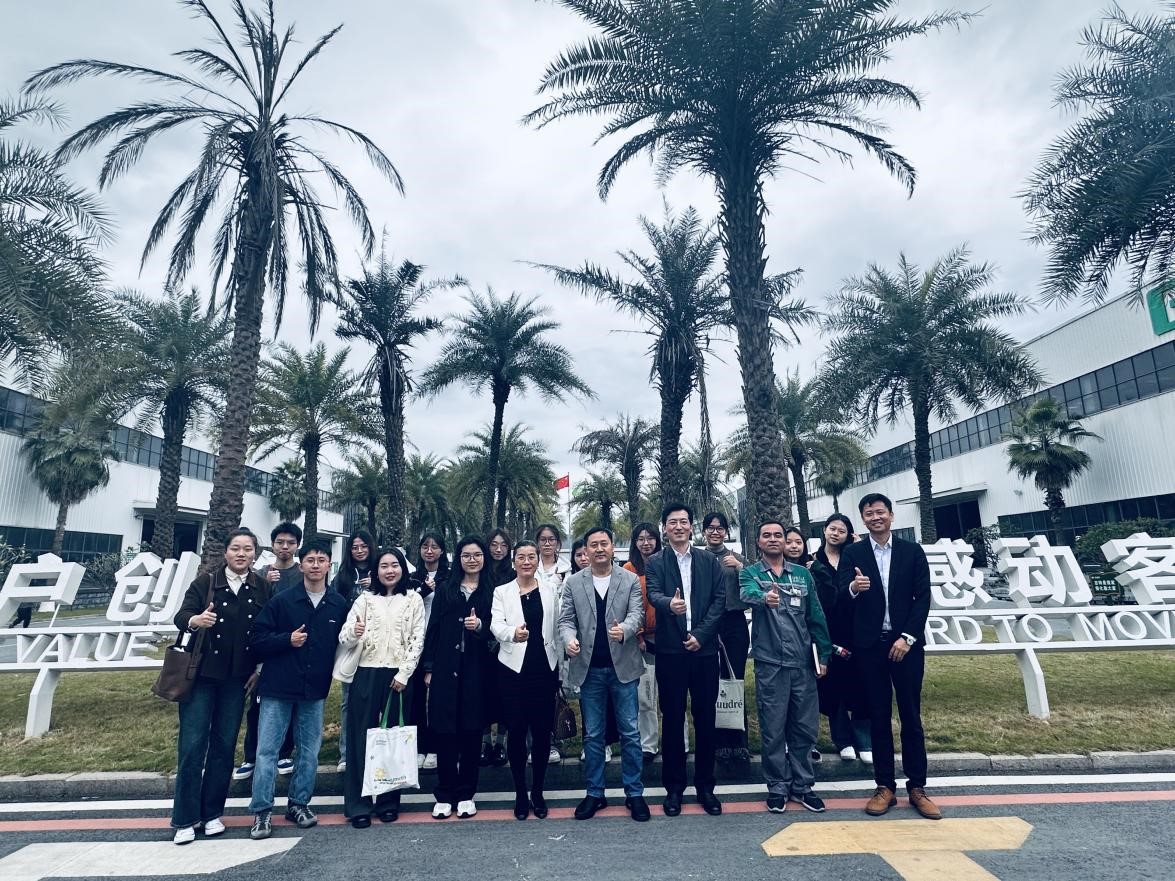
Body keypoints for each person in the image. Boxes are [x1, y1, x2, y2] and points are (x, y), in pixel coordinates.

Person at [838, 493, 939, 820]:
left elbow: (922, 597)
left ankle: (917, 788)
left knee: (911, 716)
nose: (875, 517)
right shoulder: (853, 553)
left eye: (880, 512)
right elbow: (840, 596)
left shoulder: (912, 551)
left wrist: (907, 637)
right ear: (863, 519)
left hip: (905, 646)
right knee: (878, 716)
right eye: (869, 514)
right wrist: (853, 588)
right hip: (870, 647)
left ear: (891, 515)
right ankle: (884, 787)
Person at [169, 528, 271, 845]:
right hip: (201, 676)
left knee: (224, 747)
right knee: (192, 746)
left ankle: (212, 813)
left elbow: (268, 630)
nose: (241, 554)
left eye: (247, 549)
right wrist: (195, 621)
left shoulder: (263, 587)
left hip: (237, 679)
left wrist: (259, 669)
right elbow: (181, 615)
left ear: (255, 554)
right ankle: (185, 819)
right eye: (235, 548)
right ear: (225, 552)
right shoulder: (207, 582)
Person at [246, 537, 348, 840]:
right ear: (301, 565)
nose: (315, 565)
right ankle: (261, 811)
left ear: (329, 565)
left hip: (314, 690)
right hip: (278, 687)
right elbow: (256, 639)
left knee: (309, 752)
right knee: (267, 751)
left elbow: (346, 643)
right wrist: (286, 640)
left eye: (321, 560)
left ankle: (299, 804)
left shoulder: (338, 604)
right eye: (310, 560)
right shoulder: (282, 600)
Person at [741, 520, 832, 814]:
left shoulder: (803, 575)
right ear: (758, 541)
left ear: (785, 540)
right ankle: (778, 787)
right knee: (773, 729)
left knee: (804, 728)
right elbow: (746, 593)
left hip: (802, 663)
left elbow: (815, 615)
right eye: (766, 535)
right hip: (770, 665)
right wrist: (763, 597)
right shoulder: (751, 573)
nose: (773, 539)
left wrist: (823, 655)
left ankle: (803, 786)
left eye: (778, 535)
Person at [559, 526, 649, 822]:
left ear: (613, 547)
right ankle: (595, 793)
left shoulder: (629, 579)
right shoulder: (574, 582)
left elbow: (636, 613)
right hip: (590, 669)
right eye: (593, 545)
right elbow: (566, 620)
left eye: (604, 543)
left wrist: (625, 629)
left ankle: (634, 793)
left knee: (630, 732)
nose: (599, 549)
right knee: (593, 735)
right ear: (585, 550)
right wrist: (569, 639)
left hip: (623, 667)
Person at [645, 503, 727, 817]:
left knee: (705, 718)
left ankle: (706, 787)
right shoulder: (656, 562)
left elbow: (719, 601)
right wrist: (670, 604)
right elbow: (653, 594)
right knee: (673, 718)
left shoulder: (708, 561)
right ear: (664, 528)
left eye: (683, 521)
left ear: (691, 526)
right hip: (671, 651)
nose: (678, 527)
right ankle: (674, 788)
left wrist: (702, 635)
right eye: (672, 522)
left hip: (703, 651)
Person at [339, 547, 426, 828]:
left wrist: (405, 673)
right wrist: (355, 633)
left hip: (398, 676)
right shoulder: (365, 599)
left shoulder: (413, 599)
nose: (390, 571)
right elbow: (344, 636)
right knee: (359, 737)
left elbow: (417, 639)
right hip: (366, 672)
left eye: (395, 565)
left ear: (403, 568)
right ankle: (358, 805)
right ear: (376, 571)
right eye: (384, 566)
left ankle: (388, 802)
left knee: (393, 738)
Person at [421, 537, 495, 819]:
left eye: (477, 555)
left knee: (472, 731)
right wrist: (429, 668)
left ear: (484, 558)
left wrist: (480, 626)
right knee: (445, 732)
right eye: (466, 555)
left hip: (477, 670)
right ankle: (444, 793)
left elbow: (497, 630)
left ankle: (466, 794)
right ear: (458, 559)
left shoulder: (493, 591)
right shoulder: (446, 589)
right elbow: (434, 630)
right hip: (445, 669)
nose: (472, 560)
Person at [490, 541, 560, 820]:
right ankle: (520, 792)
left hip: (544, 668)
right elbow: (495, 624)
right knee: (517, 731)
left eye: (532, 557)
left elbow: (558, 625)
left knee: (542, 733)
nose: (527, 561)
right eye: (521, 557)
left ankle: (538, 791)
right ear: (514, 561)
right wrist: (512, 634)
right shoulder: (502, 592)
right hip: (512, 670)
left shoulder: (550, 589)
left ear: (538, 560)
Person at [236, 521, 302, 782]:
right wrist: (265, 583)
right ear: (272, 545)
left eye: (290, 543)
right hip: (264, 645)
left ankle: (285, 752)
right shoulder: (260, 573)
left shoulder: (302, 573)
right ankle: (250, 756)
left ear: (297, 546)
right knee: (257, 704)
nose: (285, 547)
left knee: (290, 704)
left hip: (293, 645)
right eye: (280, 542)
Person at [810, 513, 872, 764]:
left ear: (849, 535)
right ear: (824, 530)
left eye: (842, 530)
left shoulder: (855, 558)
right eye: (832, 529)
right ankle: (843, 739)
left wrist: (860, 547)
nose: (836, 534)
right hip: (827, 630)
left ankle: (864, 738)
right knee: (832, 686)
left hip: (855, 629)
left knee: (861, 684)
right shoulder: (813, 561)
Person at [701, 511, 750, 763]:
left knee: (736, 680)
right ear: (703, 532)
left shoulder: (738, 558)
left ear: (726, 532)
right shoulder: (698, 558)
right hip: (709, 623)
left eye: (720, 528)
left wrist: (740, 568)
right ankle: (719, 740)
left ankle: (739, 740)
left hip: (734, 622)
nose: (715, 532)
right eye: (710, 528)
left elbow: (755, 586)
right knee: (713, 682)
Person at [332, 529, 376, 772]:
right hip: (351, 643)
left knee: (376, 701)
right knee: (348, 700)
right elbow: (336, 604)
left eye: (363, 546)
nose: (359, 551)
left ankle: (373, 751)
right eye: (355, 547)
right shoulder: (344, 575)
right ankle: (346, 754)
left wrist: (376, 584)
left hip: (378, 645)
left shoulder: (380, 569)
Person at [783, 526, 822, 766]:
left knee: (805, 704)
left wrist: (822, 651)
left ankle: (807, 747)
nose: (794, 546)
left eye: (799, 542)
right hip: (776, 651)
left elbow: (817, 612)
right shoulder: (762, 573)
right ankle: (787, 745)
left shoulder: (809, 572)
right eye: (789, 541)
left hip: (805, 646)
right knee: (780, 705)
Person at [408, 533, 448, 771]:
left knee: (436, 699)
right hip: (415, 643)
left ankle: (435, 747)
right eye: (425, 546)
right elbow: (406, 605)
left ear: (442, 551)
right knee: (416, 698)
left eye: (434, 547)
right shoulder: (412, 577)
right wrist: (422, 591)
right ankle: (419, 746)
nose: (429, 551)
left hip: (440, 643)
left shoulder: (449, 577)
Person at [623, 522, 662, 762]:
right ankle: (648, 745)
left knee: (672, 696)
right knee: (645, 697)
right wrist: (637, 636)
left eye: (650, 538)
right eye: (641, 539)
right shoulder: (628, 570)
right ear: (635, 542)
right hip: (642, 642)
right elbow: (627, 606)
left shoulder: (667, 564)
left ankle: (679, 744)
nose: (646, 543)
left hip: (667, 639)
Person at [534, 522, 570, 764]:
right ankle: (534, 744)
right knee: (533, 694)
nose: (547, 544)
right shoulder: (529, 566)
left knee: (553, 691)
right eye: (543, 540)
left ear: (558, 543)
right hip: (533, 636)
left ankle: (553, 741)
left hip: (558, 636)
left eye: (551, 539)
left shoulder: (567, 570)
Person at [481, 528, 514, 767]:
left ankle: (501, 742)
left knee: (505, 694)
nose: (498, 549)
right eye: (494, 544)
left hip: (507, 641)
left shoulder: (513, 574)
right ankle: (485, 743)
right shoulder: (480, 573)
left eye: (503, 545)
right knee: (482, 694)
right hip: (481, 640)